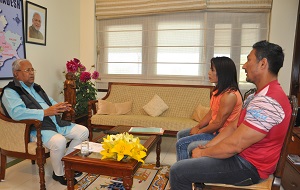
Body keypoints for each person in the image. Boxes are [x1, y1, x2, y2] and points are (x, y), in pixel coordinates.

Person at [169, 40, 292, 190]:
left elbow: (235, 145)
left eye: (248, 60)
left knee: (178, 171)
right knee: (192, 150)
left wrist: (204, 152)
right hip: (242, 157)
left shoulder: (268, 101)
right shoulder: (257, 96)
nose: (244, 66)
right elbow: (233, 127)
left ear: (262, 64)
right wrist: (208, 146)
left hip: (249, 167)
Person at [0, 59, 89, 186]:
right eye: (27, 70)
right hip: (35, 128)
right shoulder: (11, 91)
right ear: (16, 73)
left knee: (83, 131)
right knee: (59, 141)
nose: (32, 73)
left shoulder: (36, 87)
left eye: (32, 70)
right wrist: (45, 112)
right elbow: (17, 113)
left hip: (54, 122)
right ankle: (58, 174)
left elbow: (50, 102)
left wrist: (60, 107)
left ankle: (65, 165)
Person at [176, 56, 243, 161]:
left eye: (212, 70)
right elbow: (211, 113)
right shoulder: (217, 91)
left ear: (222, 73)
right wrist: (197, 127)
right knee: (181, 134)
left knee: (182, 144)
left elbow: (218, 124)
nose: (209, 73)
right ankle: (185, 166)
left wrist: (199, 132)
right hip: (214, 130)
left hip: (222, 135)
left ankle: (183, 173)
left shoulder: (230, 95)